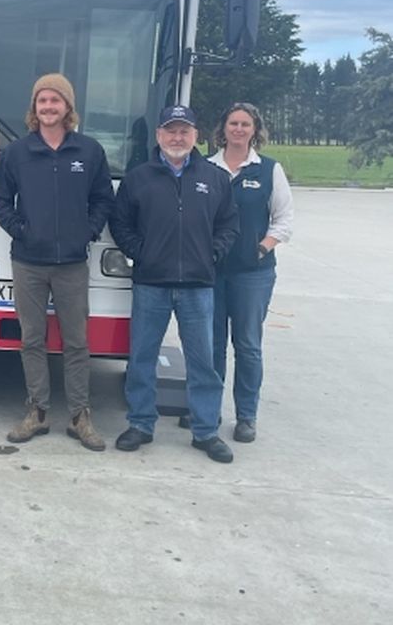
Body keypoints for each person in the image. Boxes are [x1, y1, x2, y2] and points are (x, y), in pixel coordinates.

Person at [0, 73, 114, 451]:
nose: (48, 107)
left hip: (72, 262)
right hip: (28, 261)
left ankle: (79, 416)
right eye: (42, 101)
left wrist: (86, 232)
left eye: (55, 101)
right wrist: (20, 230)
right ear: (34, 108)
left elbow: (103, 199)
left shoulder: (89, 152)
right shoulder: (16, 152)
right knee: (32, 339)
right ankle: (37, 412)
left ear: (67, 108)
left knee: (76, 342)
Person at [110, 104, 239, 463]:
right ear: (159, 136)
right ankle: (140, 423)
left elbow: (229, 224)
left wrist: (212, 253)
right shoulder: (139, 177)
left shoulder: (215, 178)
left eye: (184, 131)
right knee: (142, 358)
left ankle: (205, 431)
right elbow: (120, 223)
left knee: (203, 362)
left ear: (196, 135)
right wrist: (141, 252)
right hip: (151, 283)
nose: (177, 137)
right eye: (171, 130)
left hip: (198, 285)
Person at [208, 102, 293, 443]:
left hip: (252, 275)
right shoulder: (207, 167)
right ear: (223, 128)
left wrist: (260, 248)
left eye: (245, 124)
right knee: (210, 345)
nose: (239, 129)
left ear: (255, 130)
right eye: (233, 123)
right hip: (211, 272)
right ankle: (207, 409)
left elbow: (284, 221)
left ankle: (246, 416)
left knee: (247, 345)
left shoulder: (268, 170)